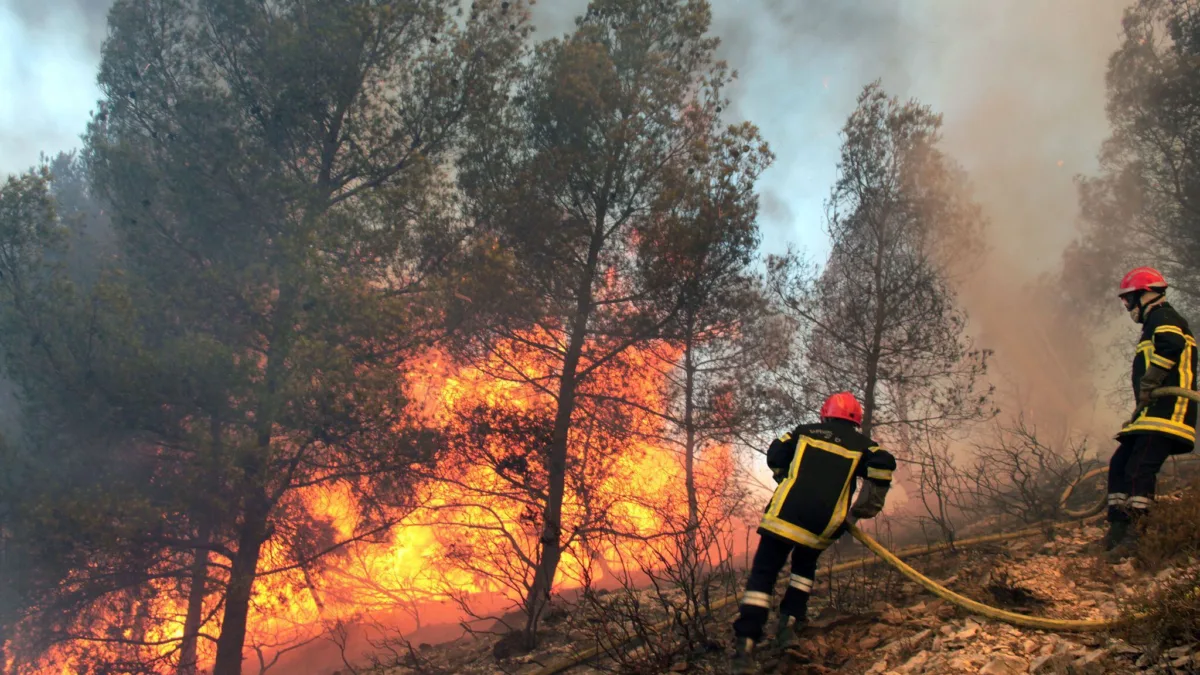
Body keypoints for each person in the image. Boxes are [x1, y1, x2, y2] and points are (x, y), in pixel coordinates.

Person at [730, 392, 896, 673]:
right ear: (856, 420)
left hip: (782, 517)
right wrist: (864, 509)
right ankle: (790, 625)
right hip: (821, 525)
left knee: (763, 574)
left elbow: (775, 454)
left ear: (825, 414)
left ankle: (746, 642)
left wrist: (785, 479)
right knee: (803, 570)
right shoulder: (864, 446)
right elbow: (884, 466)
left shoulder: (802, 433)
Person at [1104, 267, 1196, 560]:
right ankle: (1117, 528)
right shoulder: (1154, 322)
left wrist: (1151, 379)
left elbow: (1171, 345)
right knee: (1120, 464)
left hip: (1168, 411)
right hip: (1151, 413)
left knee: (1139, 467)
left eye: (1129, 299)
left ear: (1146, 294)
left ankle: (1136, 533)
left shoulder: (1163, 316)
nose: (1127, 306)